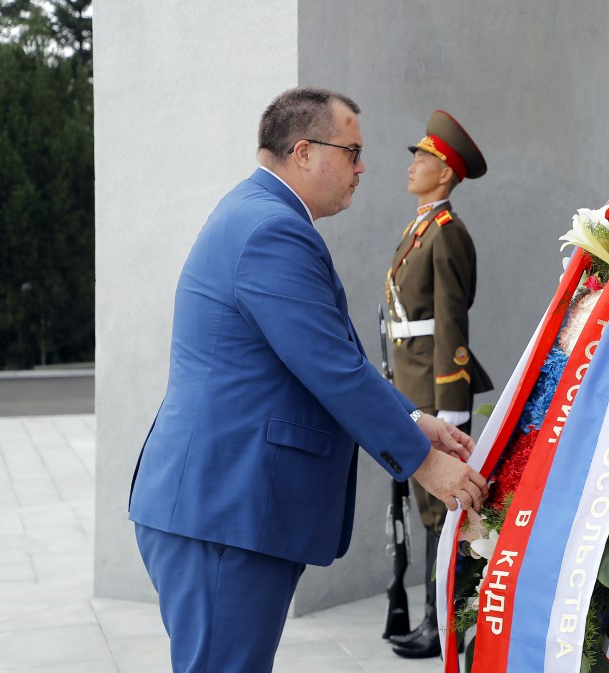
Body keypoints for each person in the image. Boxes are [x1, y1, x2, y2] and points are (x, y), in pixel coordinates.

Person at [128, 86, 489, 673]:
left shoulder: (261, 213)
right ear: (303, 151)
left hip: (221, 502)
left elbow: (322, 355)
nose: (363, 167)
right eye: (352, 151)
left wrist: (414, 420)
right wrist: (424, 462)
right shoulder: (271, 228)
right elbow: (331, 367)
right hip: (226, 508)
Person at [384, 110, 493, 659]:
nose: (413, 166)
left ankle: (443, 621)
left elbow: (453, 328)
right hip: (410, 386)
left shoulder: (447, 235)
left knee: (440, 512)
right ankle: (437, 616)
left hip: (434, 390)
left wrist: (450, 413)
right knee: (426, 511)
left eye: (424, 159)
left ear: (446, 174)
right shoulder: (420, 228)